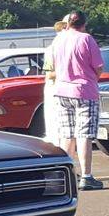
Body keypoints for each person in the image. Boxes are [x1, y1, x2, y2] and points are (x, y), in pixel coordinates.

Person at [53, 10, 104, 190]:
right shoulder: (86, 39)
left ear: (68, 23)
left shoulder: (58, 39)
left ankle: (67, 175)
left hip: (61, 90)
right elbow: (98, 67)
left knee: (67, 134)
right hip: (84, 90)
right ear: (84, 24)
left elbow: (53, 65)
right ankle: (87, 176)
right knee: (84, 135)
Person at [41, 14, 69, 147]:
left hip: (64, 90)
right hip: (55, 90)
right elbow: (49, 75)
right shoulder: (52, 48)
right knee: (57, 128)